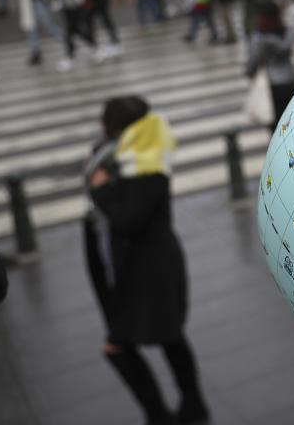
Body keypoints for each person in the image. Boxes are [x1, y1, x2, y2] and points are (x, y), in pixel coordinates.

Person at [84, 96, 209, 425]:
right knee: (169, 338)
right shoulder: (127, 155)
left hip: (149, 269)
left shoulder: (145, 162)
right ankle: (191, 408)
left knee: (122, 343)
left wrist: (101, 190)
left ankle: (162, 413)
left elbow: (130, 219)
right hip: (140, 265)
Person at [245, 1, 294, 134]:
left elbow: (254, 59)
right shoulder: (287, 33)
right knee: (290, 118)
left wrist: (249, 72)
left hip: (272, 84)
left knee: (275, 123)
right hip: (289, 80)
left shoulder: (258, 37)